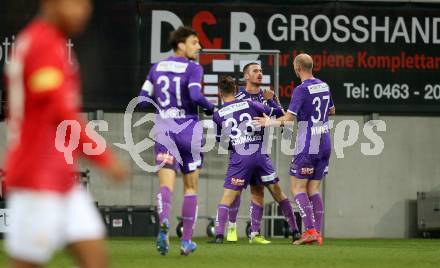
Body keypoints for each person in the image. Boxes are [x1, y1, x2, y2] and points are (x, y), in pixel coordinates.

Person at [3, 0, 129, 267]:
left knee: (95, 256)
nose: (82, 11)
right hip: (36, 179)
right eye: (73, 3)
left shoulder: (53, 42)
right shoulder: (42, 44)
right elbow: (59, 111)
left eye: (85, 4)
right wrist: (104, 158)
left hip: (60, 176)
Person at [138, 26, 215, 256]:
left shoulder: (156, 68)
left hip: (164, 130)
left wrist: (163, 108)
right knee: (190, 188)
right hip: (189, 131)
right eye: (194, 42)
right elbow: (195, 95)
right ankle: (186, 241)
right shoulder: (193, 68)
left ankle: (164, 224)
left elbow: (142, 100)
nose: (199, 47)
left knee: (165, 186)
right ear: (180, 44)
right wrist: (212, 108)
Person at [254, 53, 335, 246]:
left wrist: (268, 121)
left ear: (297, 68)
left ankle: (309, 231)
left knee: (297, 188)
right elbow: (332, 110)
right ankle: (317, 233)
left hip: (307, 143)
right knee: (313, 189)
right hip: (325, 142)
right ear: (311, 66)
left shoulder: (301, 90)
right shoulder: (324, 85)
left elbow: (289, 119)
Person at [209, 76, 297, 244]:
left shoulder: (217, 115)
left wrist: (236, 144)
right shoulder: (250, 104)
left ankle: (220, 235)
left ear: (220, 93)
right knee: (277, 193)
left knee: (228, 197)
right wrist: (271, 101)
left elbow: (222, 141)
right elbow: (279, 114)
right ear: (236, 90)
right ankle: (295, 232)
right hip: (259, 153)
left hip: (240, 156)